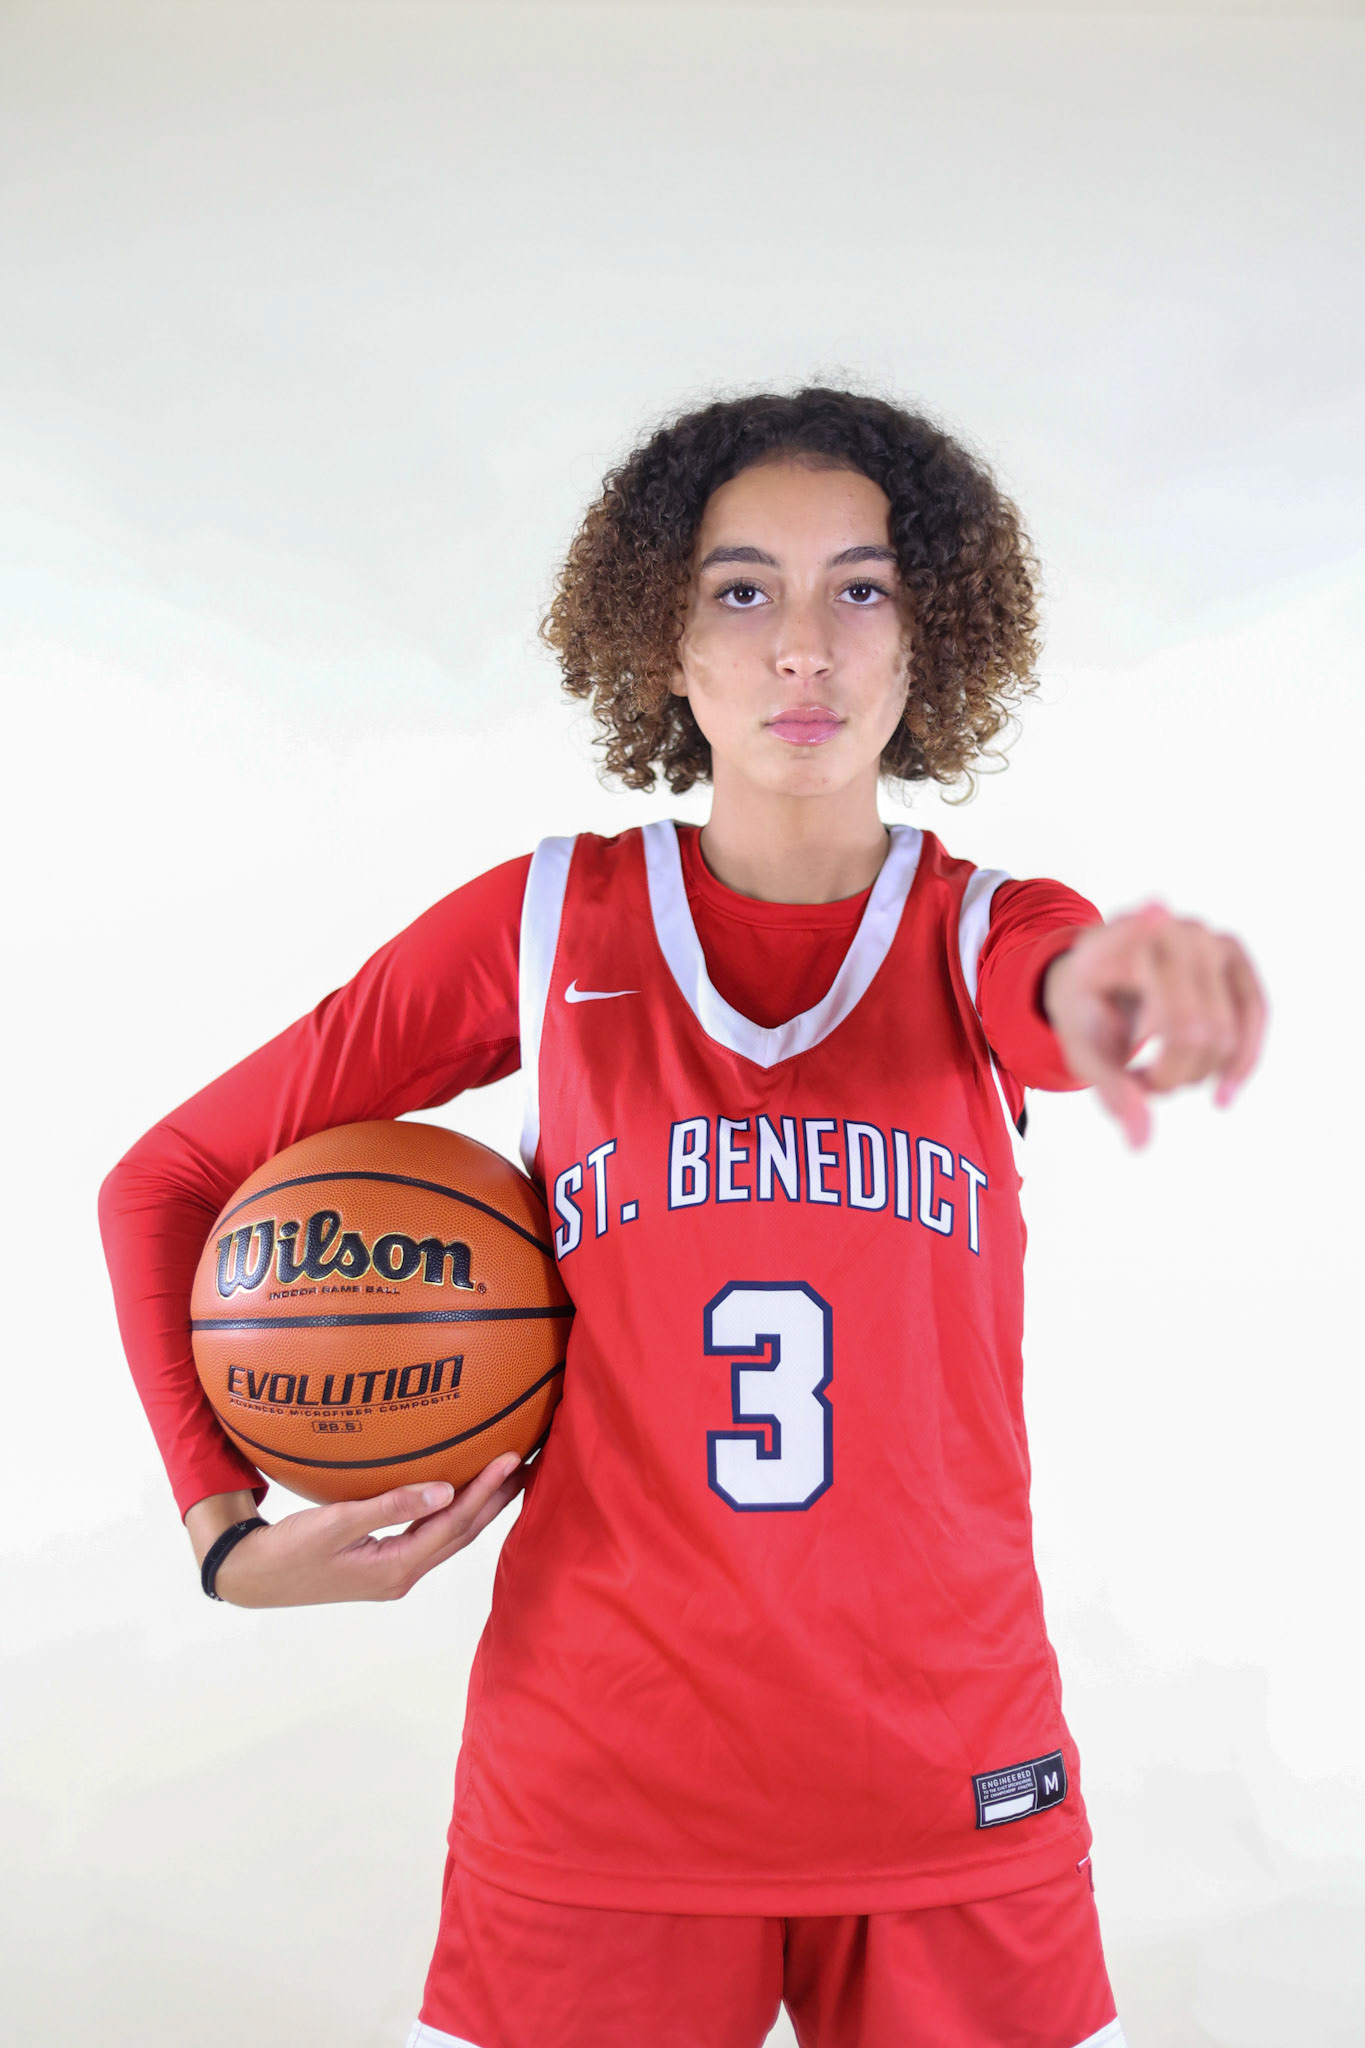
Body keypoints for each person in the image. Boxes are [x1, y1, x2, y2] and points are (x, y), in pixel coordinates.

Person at [99, 387, 1265, 2048]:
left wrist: (1122, 989)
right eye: (742, 589)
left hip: (949, 1775)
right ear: (660, 640)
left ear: (930, 632)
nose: (805, 645)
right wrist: (223, 1536)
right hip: (599, 1785)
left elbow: (1062, 999)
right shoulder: (543, 922)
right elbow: (162, 1181)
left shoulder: (989, 933)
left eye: (860, 587)